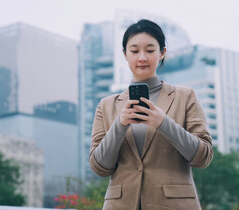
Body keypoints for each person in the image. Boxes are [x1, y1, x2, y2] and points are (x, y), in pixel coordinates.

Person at [89, 19, 213, 210]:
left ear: (162, 52)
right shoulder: (107, 105)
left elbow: (203, 157)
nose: (142, 57)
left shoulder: (185, 96)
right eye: (134, 50)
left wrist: (163, 123)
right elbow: (99, 167)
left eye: (150, 50)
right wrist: (120, 125)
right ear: (125, 54)